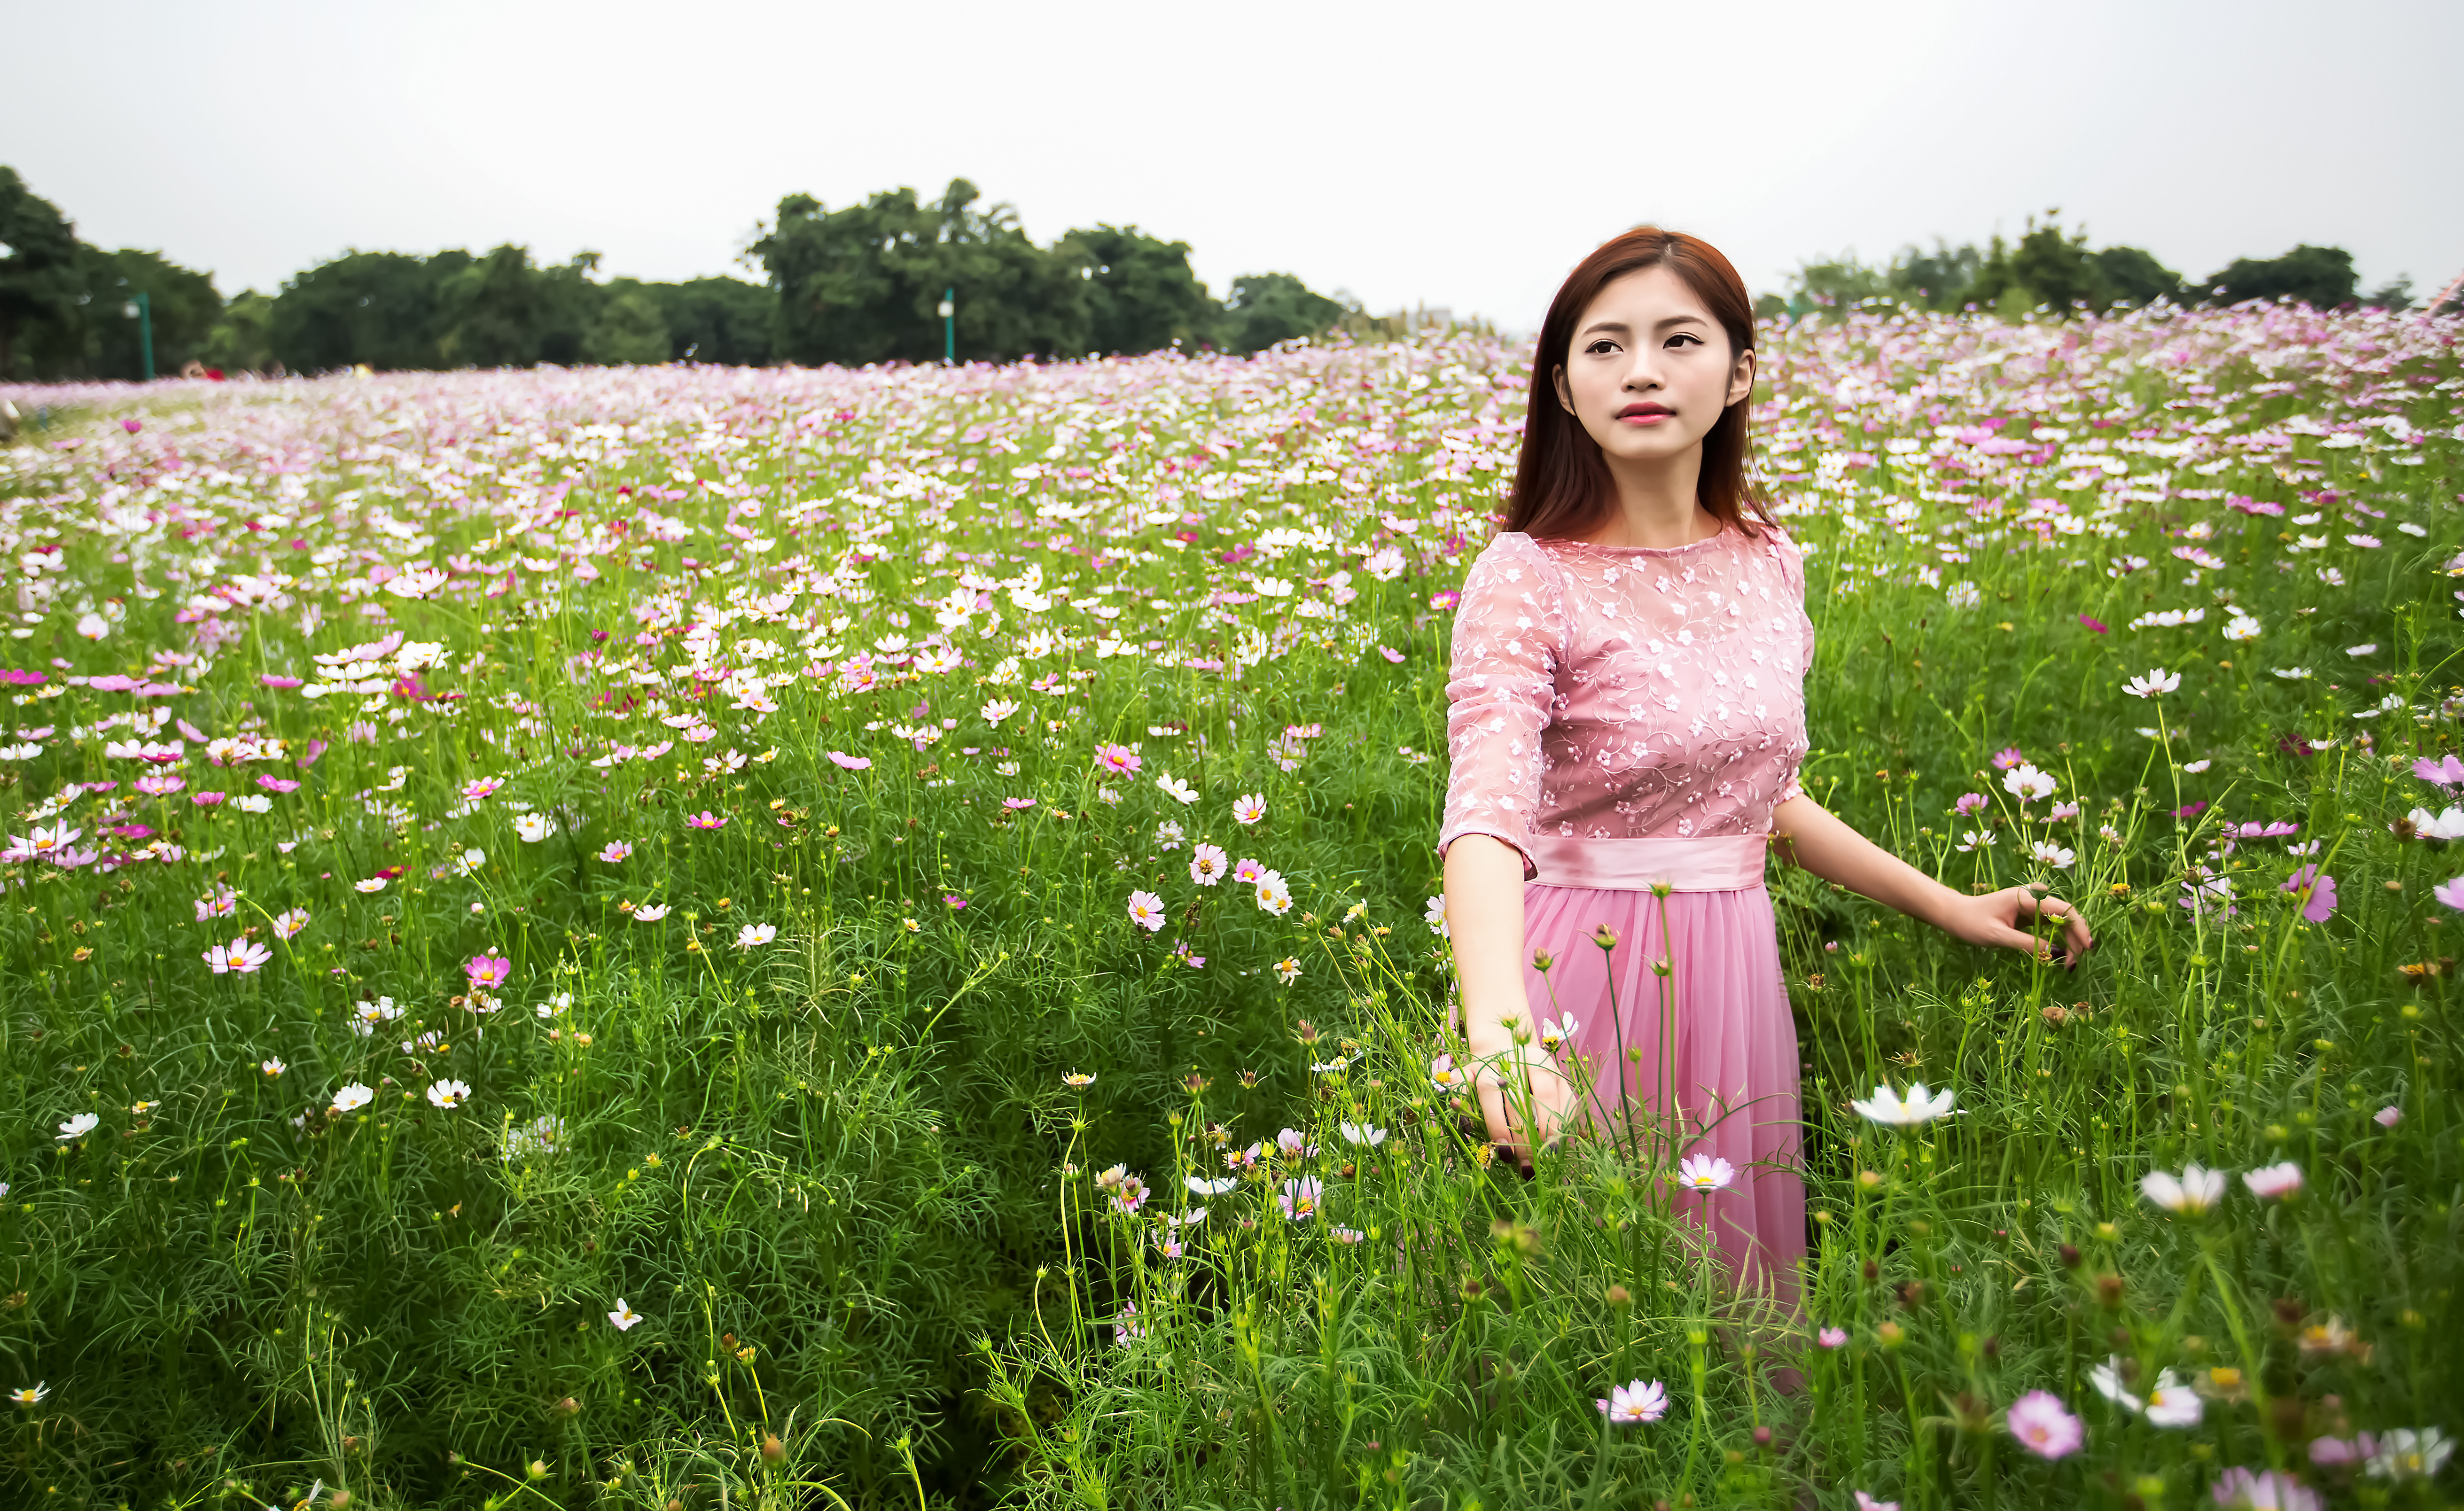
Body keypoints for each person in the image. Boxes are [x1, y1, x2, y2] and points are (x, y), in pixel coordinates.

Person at [1436, 227, 2092, 1314]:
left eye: (1677, 339)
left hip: (1736, 973)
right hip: (1579, 973)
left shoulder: (1768, 560)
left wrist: (1950, 906)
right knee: (1574, 1312)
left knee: (1733, 1308)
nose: (1640, 370)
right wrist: (1503, 1041)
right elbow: (1486, 820)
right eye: (1604, 348)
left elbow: (1761, 802)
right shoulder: (1526, 575)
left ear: (1739, 373)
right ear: (1563, 386)